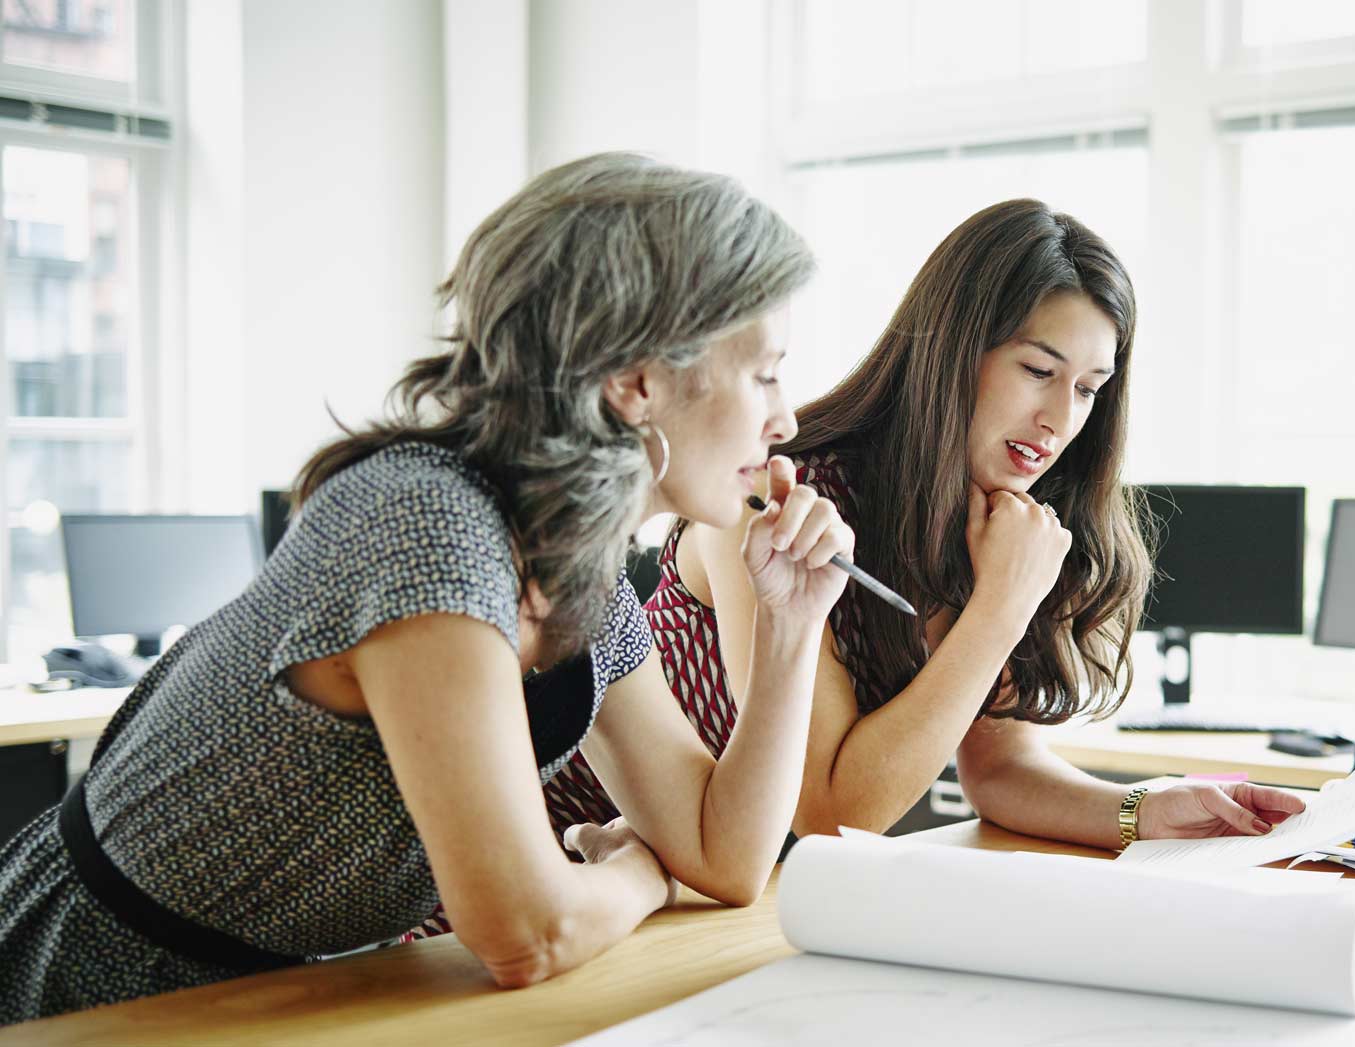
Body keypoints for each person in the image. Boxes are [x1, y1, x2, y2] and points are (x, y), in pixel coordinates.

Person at [0, 152, 853, 1024]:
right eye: (765, 372)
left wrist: (790, 624)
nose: (784, 419)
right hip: (83, 986)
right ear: (637, 381)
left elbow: (724, 854)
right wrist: (637, 871)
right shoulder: (429, 527)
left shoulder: (580, 573)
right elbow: (528, 932)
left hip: (282, 995)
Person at [550, 199, 1308, 861]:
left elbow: (1001, 766)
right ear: (955, 349)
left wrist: (1146, 809)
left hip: (732, 888)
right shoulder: (780, 499)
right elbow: (829, 811)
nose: (1059, 419)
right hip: (580, 857)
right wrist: (1001, 608)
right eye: (1037, 370)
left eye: (1087, 389)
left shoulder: (1010, 525)